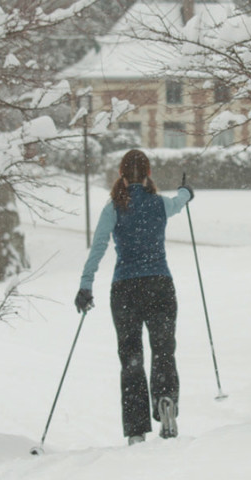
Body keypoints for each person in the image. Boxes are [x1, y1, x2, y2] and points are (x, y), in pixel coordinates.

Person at [75, 149, 194, 445]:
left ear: (122, 175)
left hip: (126, 289)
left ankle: (136, 428)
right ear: (149, 174)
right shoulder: (159, 204)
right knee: (163, 349)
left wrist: (86, 285)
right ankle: (165, 399)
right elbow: (180, 201)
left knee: (131, 358)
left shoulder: (114, 207)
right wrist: (186, 191)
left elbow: (99, 246)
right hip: (160, 284)